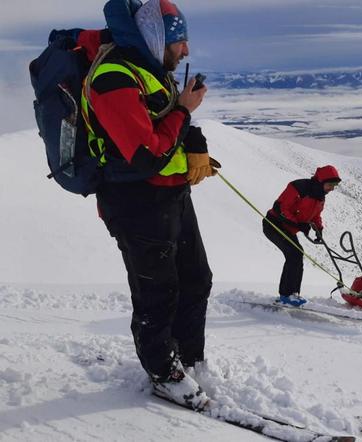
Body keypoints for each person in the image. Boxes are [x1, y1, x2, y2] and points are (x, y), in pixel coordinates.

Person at [80, 0, 217, 410]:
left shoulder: (150, 71)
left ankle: (190, 359)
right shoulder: (113, 77)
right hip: (136, 202)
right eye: (180, 41)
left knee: (196, 279)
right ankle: (163, 372)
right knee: (158, 292)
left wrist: (195, 142)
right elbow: (144, 153)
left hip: (171, 194)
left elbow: (168, 124)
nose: (186, 51)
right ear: (156, 38)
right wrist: (183, 111)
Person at [263, 166, 341, 306]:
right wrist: (298, 224)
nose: (332, 189)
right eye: (330, 185)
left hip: (289, 229)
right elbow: (280, 208)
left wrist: (319, 229)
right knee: (295, 254)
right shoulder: (298, 187)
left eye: (334, 186)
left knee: (297, 254)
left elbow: (316, 215)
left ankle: (292, 294)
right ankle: (286, 295)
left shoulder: (320, 197)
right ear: (321, 181)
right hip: (274, 225)